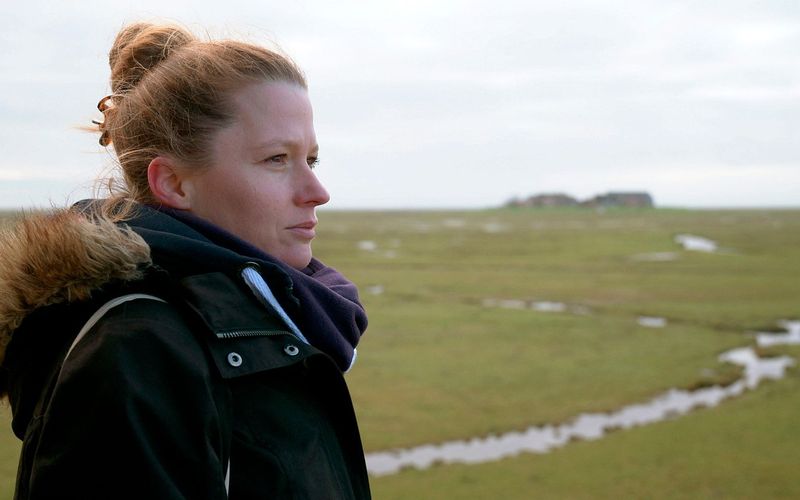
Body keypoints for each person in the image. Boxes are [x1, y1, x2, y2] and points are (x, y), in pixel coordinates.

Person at [0, 22, 371, 499]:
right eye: (276, 159)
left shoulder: (257, 319)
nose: (317, 193)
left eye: (311, 160)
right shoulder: (136, 352)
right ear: (173, 183)